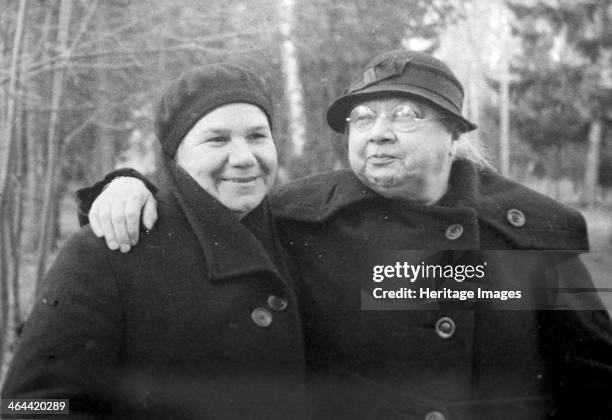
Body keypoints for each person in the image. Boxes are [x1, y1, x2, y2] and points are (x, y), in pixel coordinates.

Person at [73, 50, 612, 419]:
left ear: (454, 136)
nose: (378, 133)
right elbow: (202, 209)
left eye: (406, 115)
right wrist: (130, 185)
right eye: (361, 119)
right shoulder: (298, 217)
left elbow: (594, 377)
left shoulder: (529, 234)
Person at [1, 64, 306, 419]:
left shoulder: (301, 235)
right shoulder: (107, 251)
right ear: (175, 156)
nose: (244, 158)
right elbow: (28, 406)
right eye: (216, 139)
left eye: (257, 136)